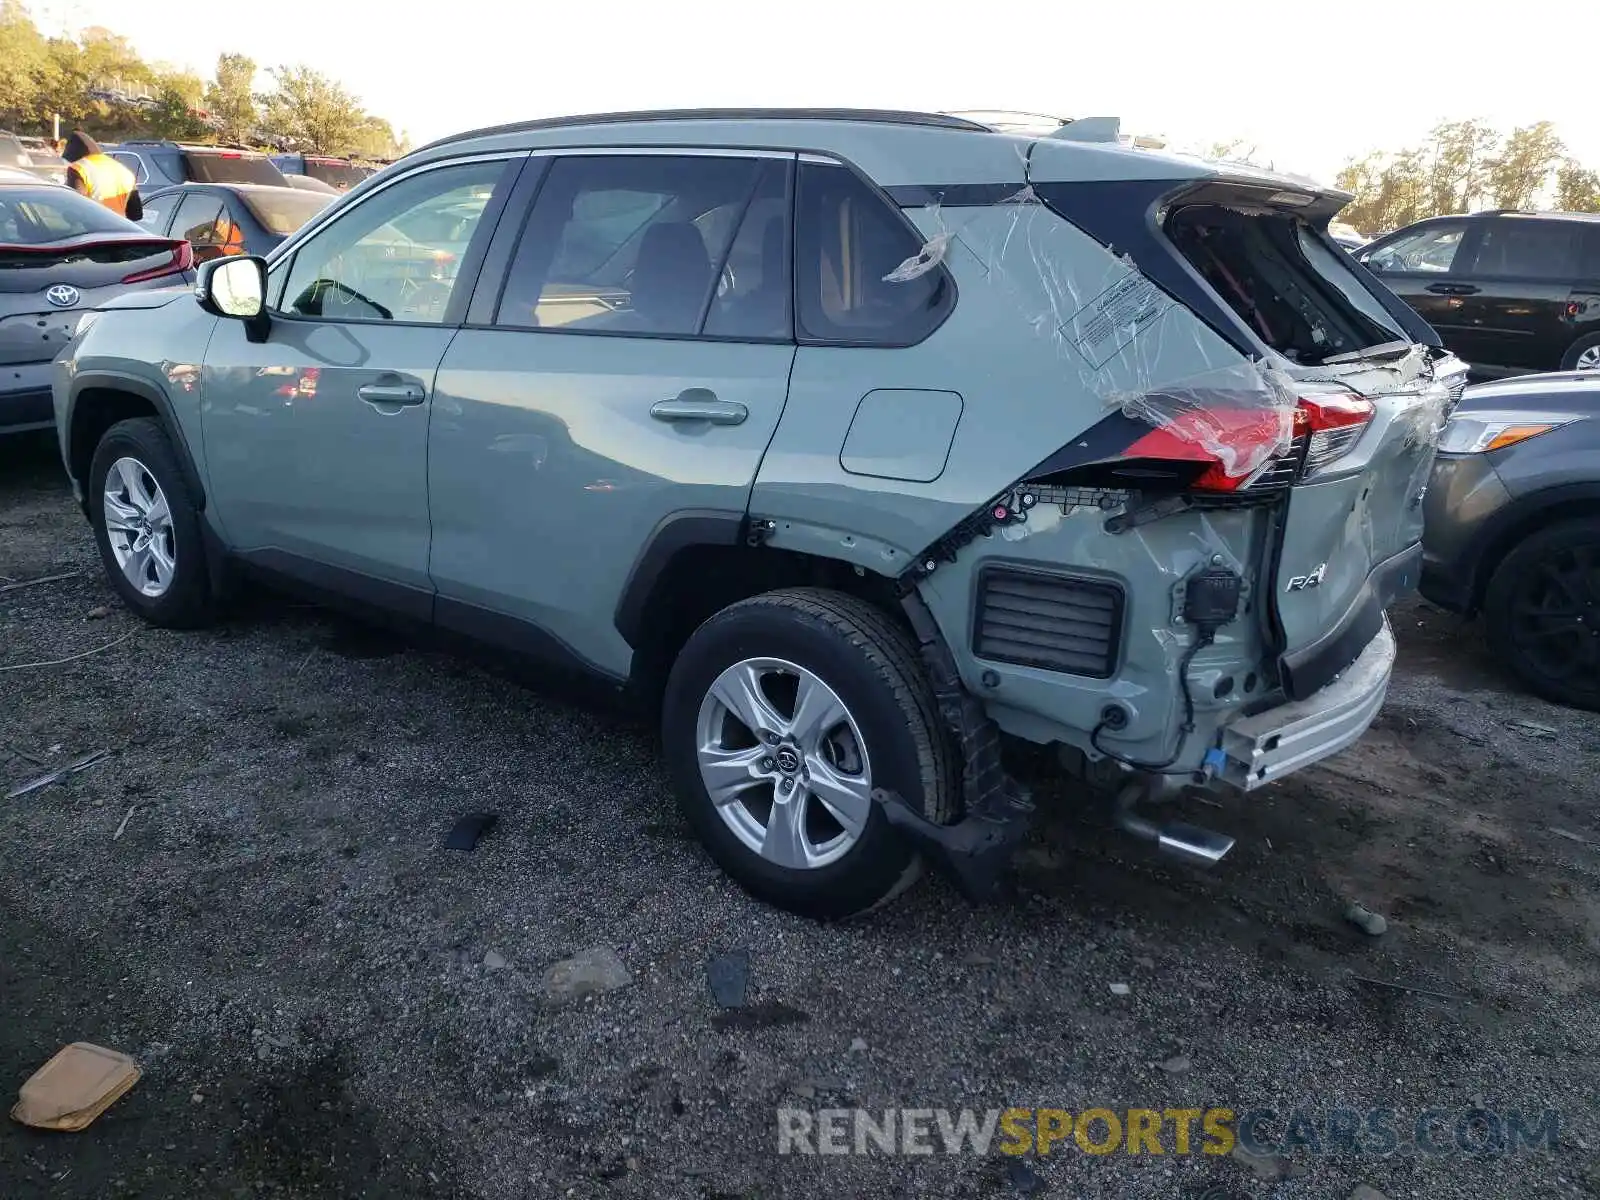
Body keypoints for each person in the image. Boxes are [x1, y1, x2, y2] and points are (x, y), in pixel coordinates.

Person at [61, 131, 142, 221]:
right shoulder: (125, 172)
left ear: (72, 154)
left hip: (93, 229)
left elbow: (76, 208)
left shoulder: (79, 168)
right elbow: (136, 214)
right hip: (120, 230)